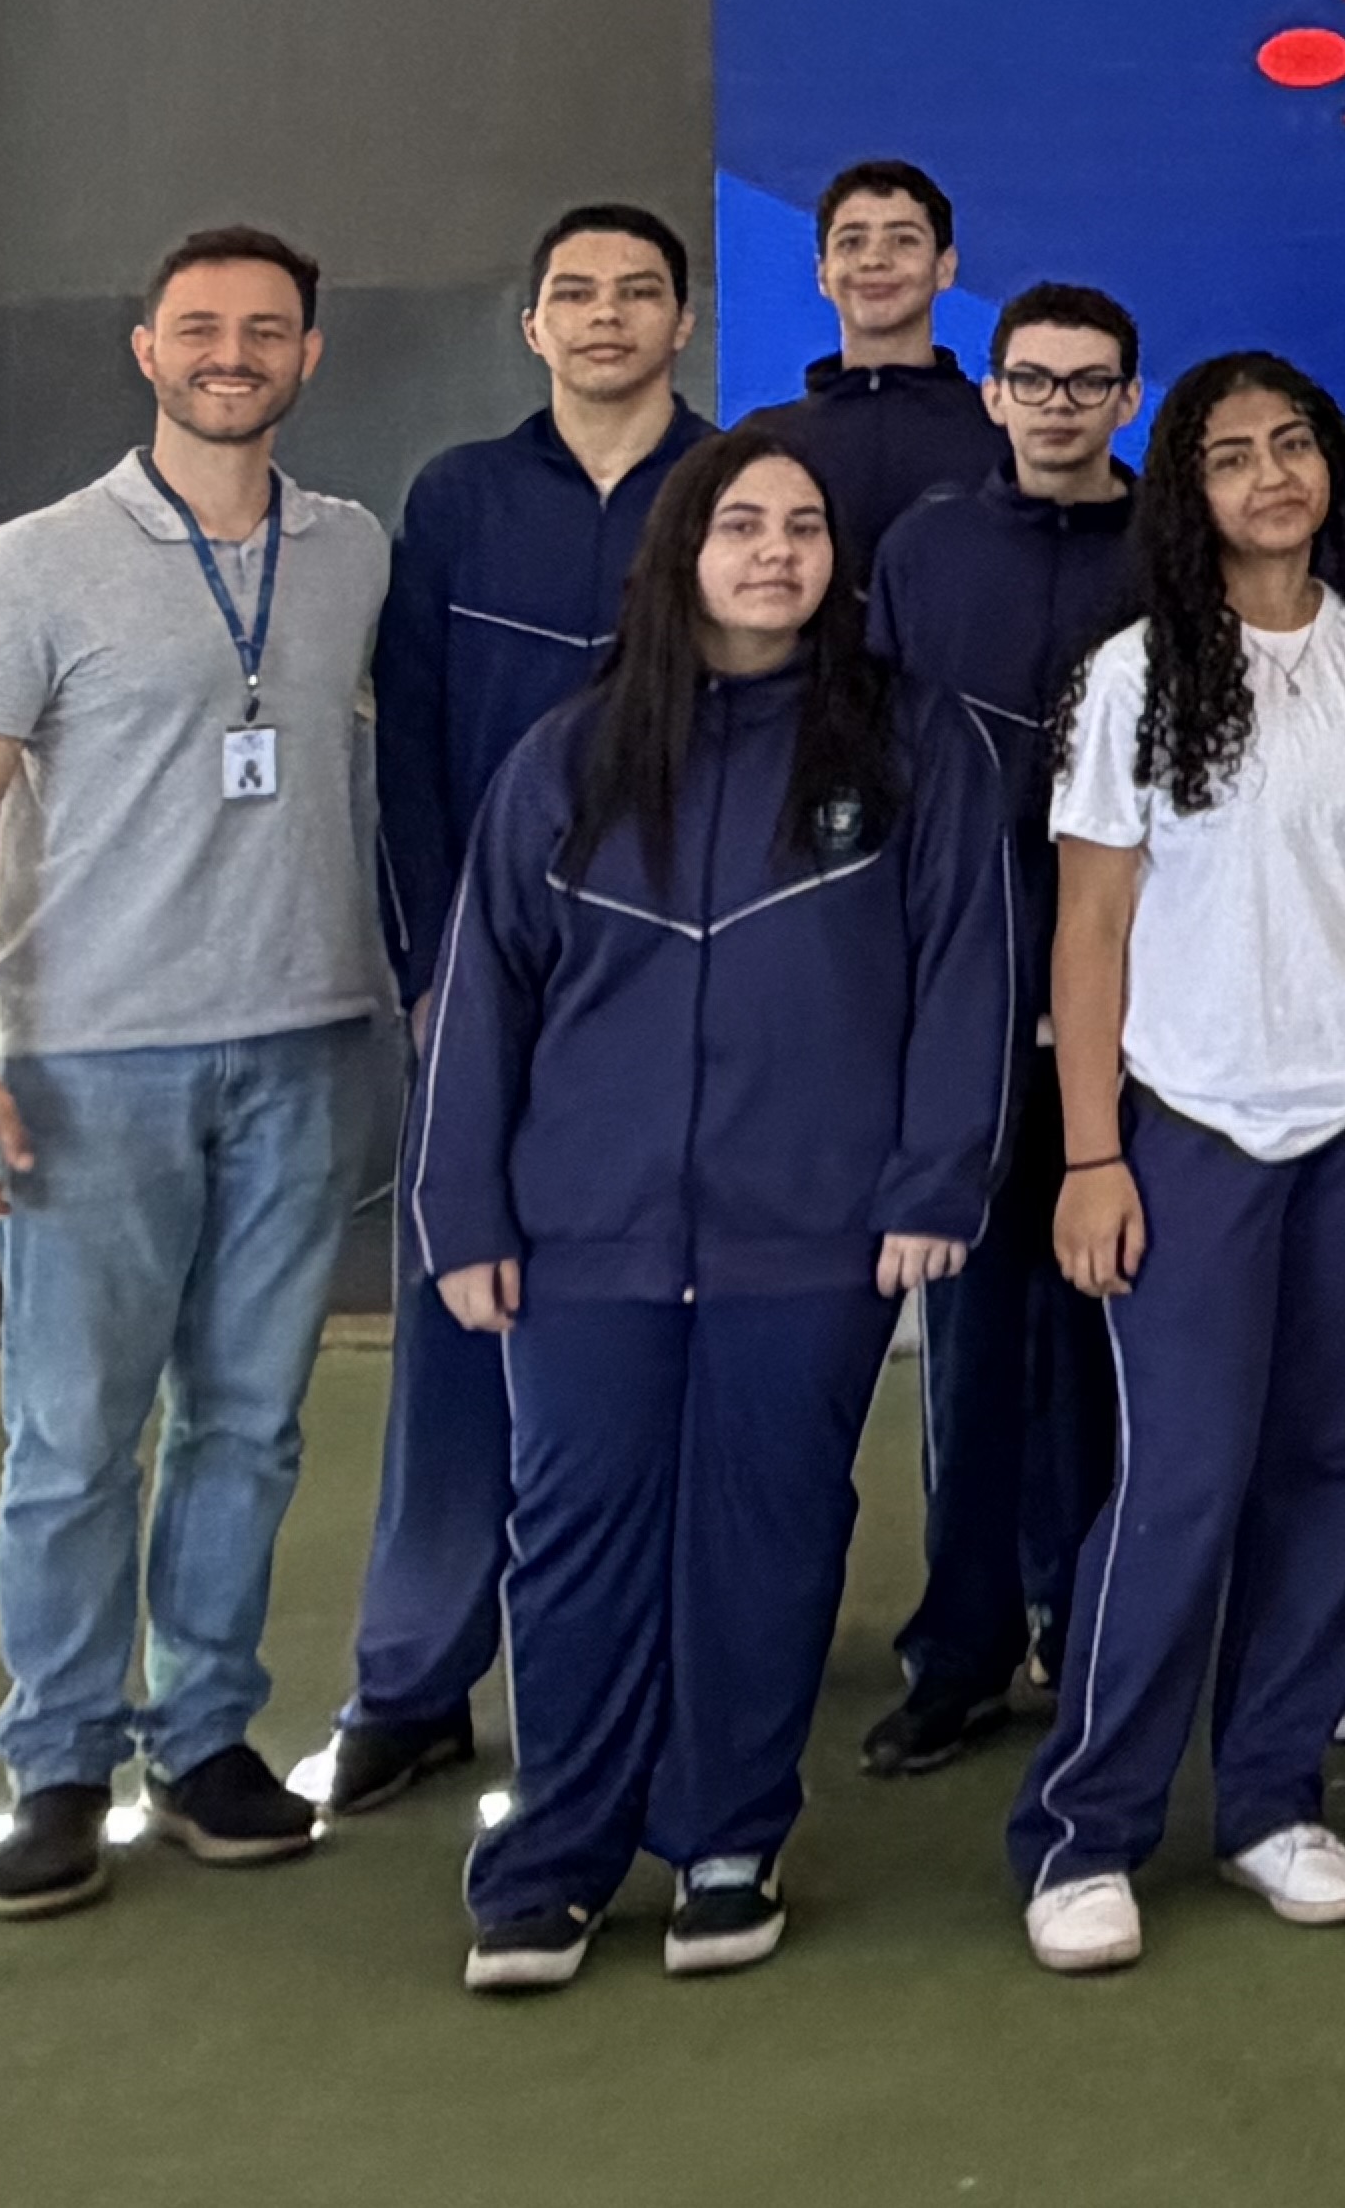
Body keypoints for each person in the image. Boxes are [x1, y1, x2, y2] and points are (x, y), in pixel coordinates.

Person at [418, 430, 1014, 1990]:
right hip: (580, 1238)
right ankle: (551, 1858)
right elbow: (485, 999)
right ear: (682, 552)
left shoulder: (912, 745)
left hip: (811, 1233)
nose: (774, 552)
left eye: (804, 527)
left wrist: (938, 1176)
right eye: (740, 525)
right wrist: (463, 1211)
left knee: (769, 1540)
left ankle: (728, 1838)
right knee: (575, 1545)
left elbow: (965, 970)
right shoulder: (571, 753)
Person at [0, 226, 395, 1918]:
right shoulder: (32, 562)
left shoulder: (352, 549)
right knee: (75, 1432)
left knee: (248, 1421)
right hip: (92, 1061)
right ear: (144, 348)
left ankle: (206, 1735)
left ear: (310, 355)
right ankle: (55, 1760)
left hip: (309, 1042)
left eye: (266, 328)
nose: (231, 350)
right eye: (201, 327)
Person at [1006, 354, 1345, 1976]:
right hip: (1189, 1119)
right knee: (1184, 1472)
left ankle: (1269, 1793)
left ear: (1332, 465)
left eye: (1294, 445)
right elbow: (1092, 924)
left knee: (1338, 1457)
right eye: (1232, 453)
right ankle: (1086, 1826)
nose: (1270, 474)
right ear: (1185, 487)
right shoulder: (1129, 674)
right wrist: (1092, 1147)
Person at [327, 201, 711, 1823]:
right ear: (532, 324)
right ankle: (413, 1679)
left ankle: (686, 1664)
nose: (605, 315)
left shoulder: (735, 489)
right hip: (489, 989)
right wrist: (430, 964)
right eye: (575, 292)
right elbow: (406, 740)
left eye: (637, 291)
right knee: (459, 1330)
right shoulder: (462, 498)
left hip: (690, 990)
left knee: (683, 1335)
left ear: (682, 321)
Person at [854, 284, 1148, 1776]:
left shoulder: (1177, 552)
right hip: (962, 1003)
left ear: (1127, 399)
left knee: (1119, 1343)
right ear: (994, 394)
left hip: (1148, 1012)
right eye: (1032, 381)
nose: (1056, 406)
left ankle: (1106, 1629)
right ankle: (961, 1648)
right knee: (971, 1354)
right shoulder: (923, 551)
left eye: (1087, 384)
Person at [767, 161, 1012, 579]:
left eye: (903, 241)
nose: (875, 260)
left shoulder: (1004, 436)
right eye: (851, 242)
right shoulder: (765, 441)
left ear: (945, 268)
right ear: (822, 273)